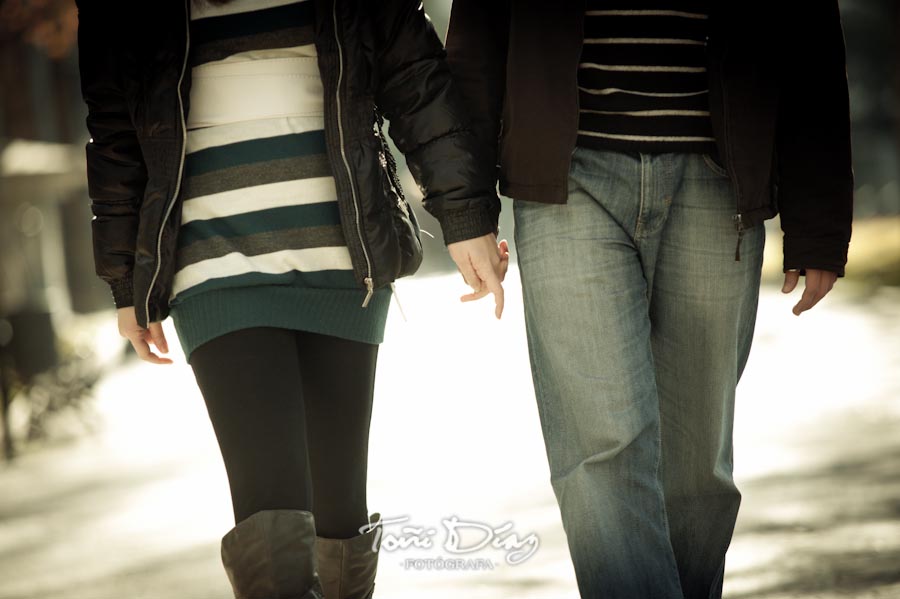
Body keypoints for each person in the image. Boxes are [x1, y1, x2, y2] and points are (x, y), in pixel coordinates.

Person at [75, 0, 505, 597]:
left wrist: (464, 213)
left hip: (341, 253)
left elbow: (414, 76)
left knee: (339, 515)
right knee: (268, 512)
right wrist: (126, 279)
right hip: (212, 261)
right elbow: (116, 125)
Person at [444, 1, 853, 597]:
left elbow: (808, 26)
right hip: (567, 175)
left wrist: (818, 216)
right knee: (602, 450)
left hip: (717, 173)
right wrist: (466, 207)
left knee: (696, 467)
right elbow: (479, 31)